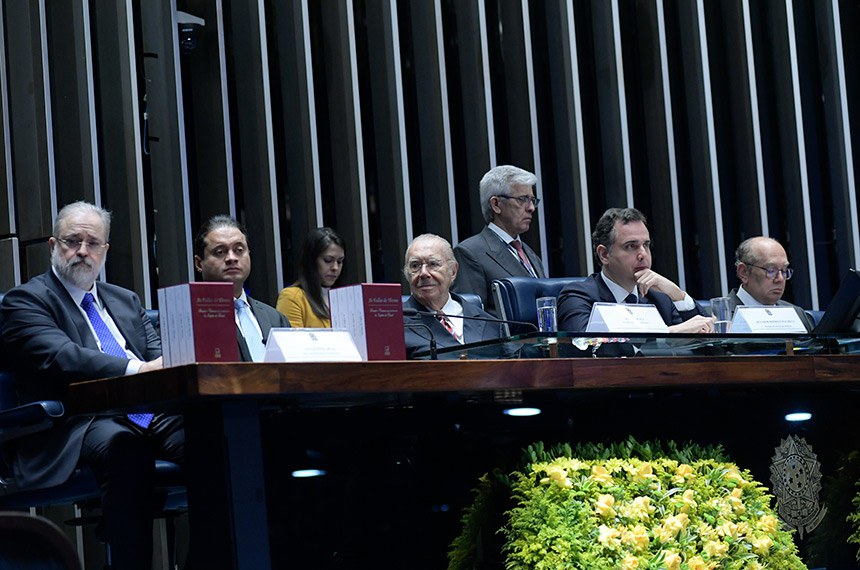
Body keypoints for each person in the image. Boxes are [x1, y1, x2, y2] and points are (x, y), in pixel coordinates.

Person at [0, 201, 182, 570]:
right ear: (53, 246)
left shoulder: (125, 300)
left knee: (218, 440)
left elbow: (161, 356)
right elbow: (62, 357)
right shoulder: (25, 301)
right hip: (76, 422)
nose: (82, 251)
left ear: (105, 251)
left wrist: (156, 368)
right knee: (125, 448)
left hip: (146, 413)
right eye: (72, 241)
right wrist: (137, 369)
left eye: (92, 243)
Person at [557, 207, 713, 333]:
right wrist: (668, 333)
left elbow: (711, 346)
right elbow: (585, 347)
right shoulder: (578, 296)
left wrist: (677, 294)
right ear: (604, 254)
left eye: (646, 245)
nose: (643, 254)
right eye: (631, 246)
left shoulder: (660, 299)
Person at [193, 215, 291, 362]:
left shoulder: (275, 318)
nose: (232, 258)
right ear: (199, 263)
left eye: (239, 250)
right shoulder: (189, 320)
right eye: (220, 252)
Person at [453, 165, 545, 315]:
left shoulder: (529, 253)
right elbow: (473, 319)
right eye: (522, 199)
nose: (531, 208)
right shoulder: (470, 253)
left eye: (533, 200)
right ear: (496, 204)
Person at [403, 234, 510, 359]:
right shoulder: (396, 325)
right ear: (407, 274)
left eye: (433, 264)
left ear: (453, 271)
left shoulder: (490, 323)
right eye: (415, 266)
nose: (424, 273)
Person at [729, 236, 814, 331]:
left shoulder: (797, 314)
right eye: (771, 270)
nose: (780, 279)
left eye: (784, 270)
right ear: (744, 272)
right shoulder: (718, 318)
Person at [276, 227, 345, 328]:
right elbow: (291, 342)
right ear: (311, 261)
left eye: (340, 261)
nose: (335, 268)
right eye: (328, 260)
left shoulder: (345, 297)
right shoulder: (292, 297)